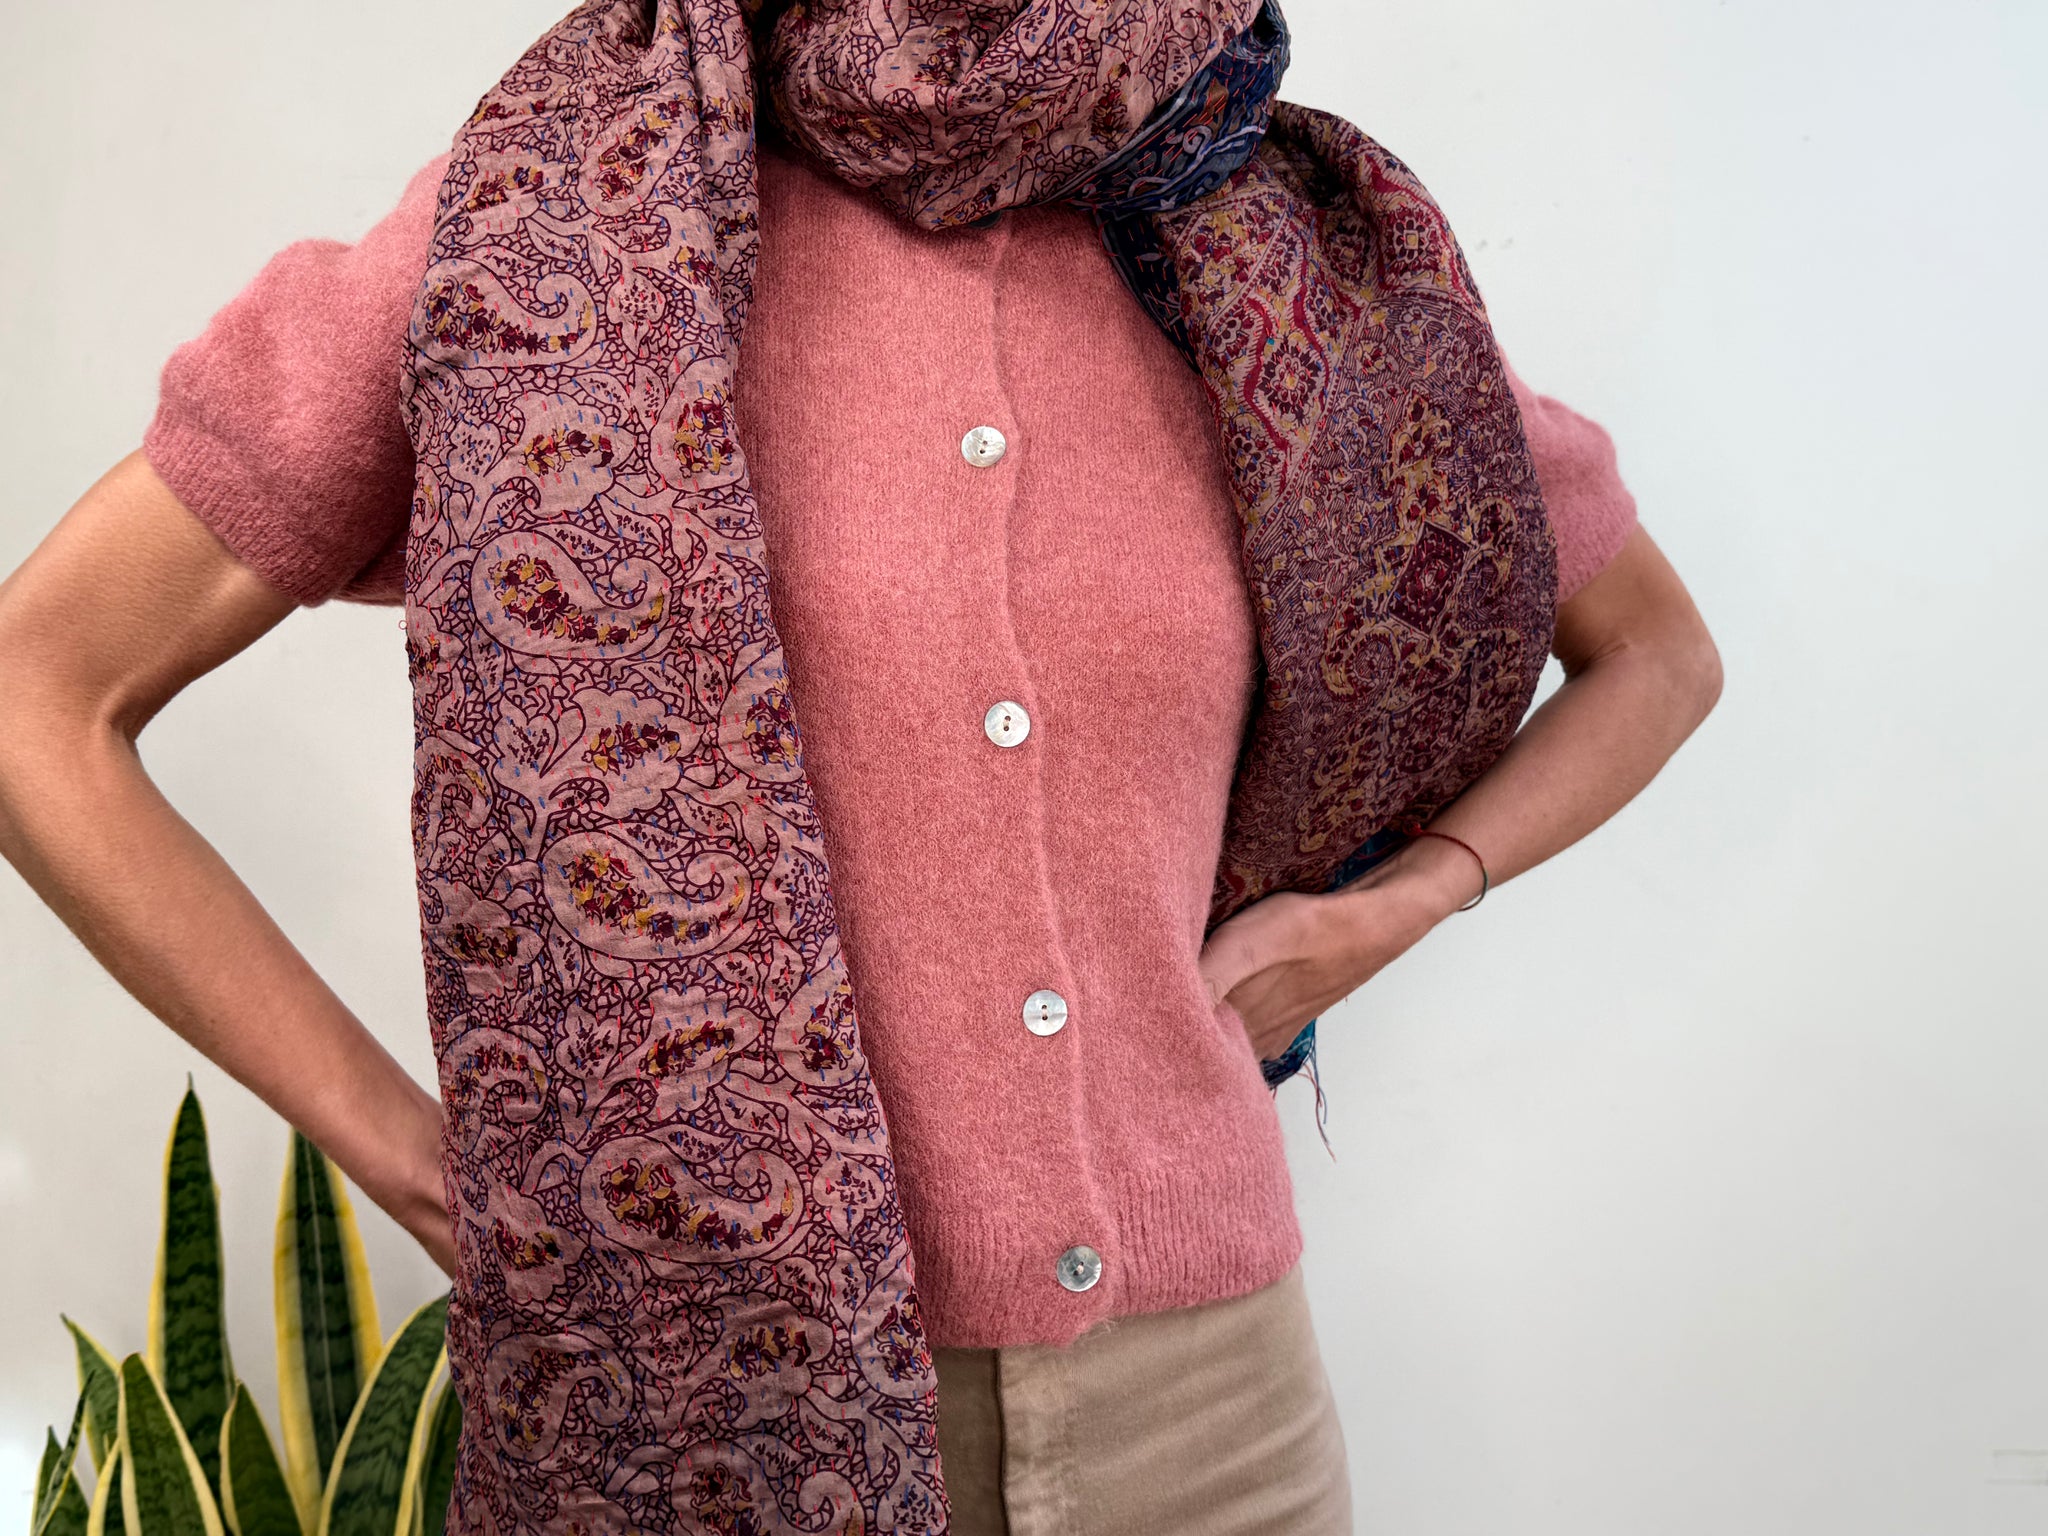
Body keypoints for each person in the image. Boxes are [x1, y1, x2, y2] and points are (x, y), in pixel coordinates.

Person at [0, 5, 1721, 1532]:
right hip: (713, 1426)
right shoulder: (553, 228)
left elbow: (1657, 654)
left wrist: (1396, 908)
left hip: (1216, 1426)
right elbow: (37, 695)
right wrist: (419, 1159)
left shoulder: (1295, 263)